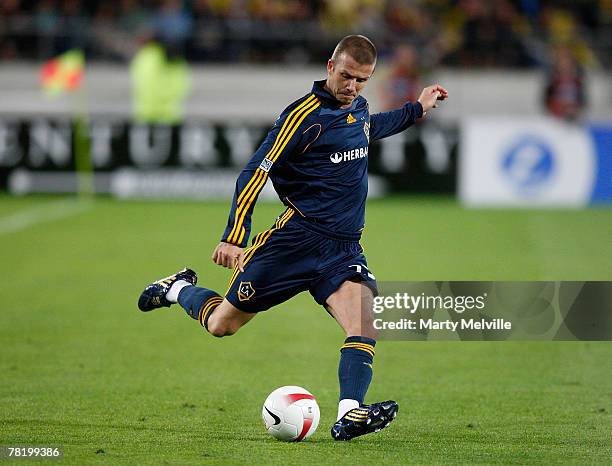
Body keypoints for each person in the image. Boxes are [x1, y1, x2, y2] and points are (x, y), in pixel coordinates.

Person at [137, 35, 448, 441]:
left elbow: (372, 127)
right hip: (294, 243)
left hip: (342, 250)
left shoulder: (359, 109)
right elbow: (255, 171)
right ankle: (177, 288)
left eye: (362, 80)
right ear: (330, 66)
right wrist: (234, 235)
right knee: (221, 325)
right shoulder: (302, 117)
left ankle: (350, 413)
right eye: (348, 76)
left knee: (365, 324)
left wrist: (417, 109)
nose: (353, 86)